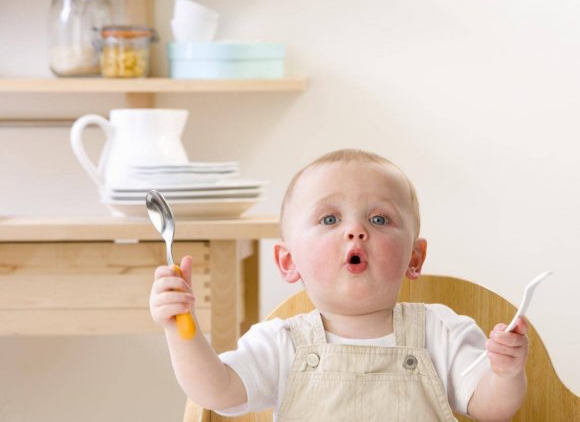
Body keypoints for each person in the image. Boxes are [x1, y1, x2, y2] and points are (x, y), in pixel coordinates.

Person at [150, 149, 528, 421]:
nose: (356, 230)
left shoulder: (441, 332)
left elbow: (492, 409)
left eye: (379, 220)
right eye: (330, 219)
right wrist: (180, 329)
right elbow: (217, 392)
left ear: (414, 257)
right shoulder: (281, 343)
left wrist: (505, 374)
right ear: (289, 261)